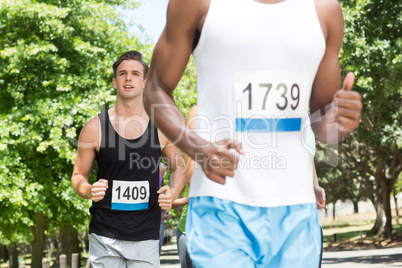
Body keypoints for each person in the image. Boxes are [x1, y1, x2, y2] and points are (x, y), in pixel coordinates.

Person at [144, 0, 362, 267]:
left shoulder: (324, 9)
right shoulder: (197, 3)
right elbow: (155, 88)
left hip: (296, 208)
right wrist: (197, 148)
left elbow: (321, 121)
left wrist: (340, 122)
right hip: (221, 202)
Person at [71, 50, 185, 267]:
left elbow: (178, 168)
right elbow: (78, 176)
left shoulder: (161, 127)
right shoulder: (94, 128)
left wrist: (173, 192)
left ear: (144, 82)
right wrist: (88, 190)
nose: (128, 78)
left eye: (135, 73)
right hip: (104, 236)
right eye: (122, 74)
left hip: (146, 235)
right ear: (115, 82)